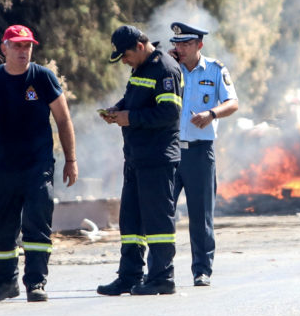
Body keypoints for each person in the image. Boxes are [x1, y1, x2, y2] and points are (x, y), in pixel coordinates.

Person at [0, 25, 78, 303]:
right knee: (2, 228)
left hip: (37, 166)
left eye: (27, 46)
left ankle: (36, 282)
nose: (23, 51)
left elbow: (63, 119)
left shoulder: (43, 77)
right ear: (4, 47)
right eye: (17, 46)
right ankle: (5, 283)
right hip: (2, 166)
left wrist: (71, 160)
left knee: (36, 224)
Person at [96, 25, 183, 296]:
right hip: (135, 157)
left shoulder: (166, 69)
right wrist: (119, 109)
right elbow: (135, 98)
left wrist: (130, 118)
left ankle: (161, 278)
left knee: (157, 222)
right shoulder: (141, 68)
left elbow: (169, 113)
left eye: (126, 55)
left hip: (157, 158)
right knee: (130, 221)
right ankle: (129, 275)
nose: (124, 61)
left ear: (140, 46)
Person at [167, 21, 238, 286]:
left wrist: (212, 114)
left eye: (186, 44)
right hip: (171, 151)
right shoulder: (169, 69)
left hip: (199, 153)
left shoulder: (216, 70)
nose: (180, 48)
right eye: (177, 44)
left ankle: (202, 270)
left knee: (201, 215)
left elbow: (233, 102)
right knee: (163, 212)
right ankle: (160, 269)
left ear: (199, 45)